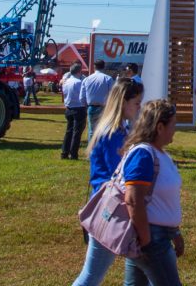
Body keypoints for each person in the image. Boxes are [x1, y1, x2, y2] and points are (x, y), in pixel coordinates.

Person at [71, 79, 144, 286]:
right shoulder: (114, 135)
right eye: (136, 102)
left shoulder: (116, 130)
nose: (139, 107)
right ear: (123, 102)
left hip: (109, 207)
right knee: (92, 276)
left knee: (135, 271)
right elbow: (120, 174)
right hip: (111, 210)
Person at [122, 100, 186, 286]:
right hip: (151, 238)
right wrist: (146, 238)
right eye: (173, 124)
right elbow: (133, 200)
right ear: (160, 127)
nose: (175, 128)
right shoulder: (143, 154)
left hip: (157, 235)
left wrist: (174, 232)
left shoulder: (160, 154)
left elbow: (162, 201)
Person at [61, 64, 88, 160]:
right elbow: (83, 96)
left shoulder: (66, 82)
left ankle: (64, 152)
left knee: (68, 131)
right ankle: (73, 153)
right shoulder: (79, 82)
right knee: (77, 133)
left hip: (69, 108)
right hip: (78, 108)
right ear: (79, 71)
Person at [82, 60, 116, 126]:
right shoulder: (108, 79)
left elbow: (82, 97)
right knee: (103, 130)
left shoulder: (87, 79)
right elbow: (113, 95)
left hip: (91, 107)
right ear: (104, 67)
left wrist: (87, 106)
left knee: (91, 131)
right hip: (104, 108)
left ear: (94, 67)